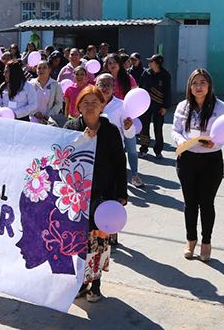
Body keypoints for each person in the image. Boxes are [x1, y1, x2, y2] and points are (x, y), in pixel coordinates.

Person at [65, 85, 127, 302]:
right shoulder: (71, 127)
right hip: (77, 194)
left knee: (99, 242)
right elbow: (63, 155)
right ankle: (81, 283)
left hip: (104, 195)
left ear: (102, 105)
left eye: (95, 103)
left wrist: (122, 192)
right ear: (78, 106)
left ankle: (96, 284)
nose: (90, 107)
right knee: (79, 241)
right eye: (85, 103)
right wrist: (83, 138)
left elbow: (120, 162)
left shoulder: (110, 131)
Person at [172, 69, 224, 261]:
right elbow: (175, 131)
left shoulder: (220, 107)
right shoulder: (182, 106)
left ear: (209, 85)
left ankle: (206, 242)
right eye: (195, 83)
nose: (198, 87)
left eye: (202, 83)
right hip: (187, 159)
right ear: (190, 85)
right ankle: (190, 239)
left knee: (206, 203)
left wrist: (217, 142)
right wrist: (180, 142)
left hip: (211, 161)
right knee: (190, 203)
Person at [95, 73, 143, 189]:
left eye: (108, 85)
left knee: (114, 186)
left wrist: (128, 127)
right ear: (96, 86)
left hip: (114, 151)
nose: (105, 88)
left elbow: (129, 134)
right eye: (102, 85)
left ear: (114, 87)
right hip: (94, 150)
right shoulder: (90, 103)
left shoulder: (121, 106)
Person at [139, 54, 171, 159]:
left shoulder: (165, 75)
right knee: (144, 127)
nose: (149, 63)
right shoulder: (146, 73)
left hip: (159, 106)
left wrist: (165, 107)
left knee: (158, 128)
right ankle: (143, 149)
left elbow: (167, 92)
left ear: (157, 63)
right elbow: (140, 87)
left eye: (151, 61)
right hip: (145, 105)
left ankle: (158, 151)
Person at [28, 60, 63, 125]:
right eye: (39, 68)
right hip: (32, 119)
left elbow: (58, 103)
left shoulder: (56, 85)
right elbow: (27, 101)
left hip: (49, 121)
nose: (41, 70)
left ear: (49, 70)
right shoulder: (30, 84)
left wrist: (48, 116)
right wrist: (35, 113)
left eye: (44, 67)